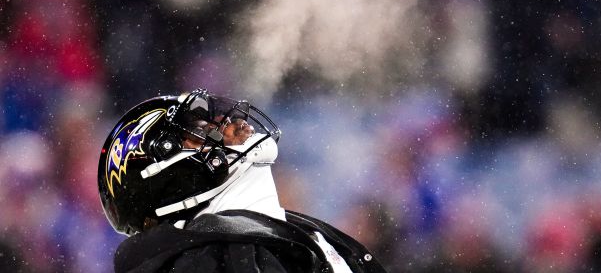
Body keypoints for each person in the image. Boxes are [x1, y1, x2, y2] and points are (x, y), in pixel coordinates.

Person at [97, 88, 387, 273]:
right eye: (202, 130)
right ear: (165, 174)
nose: (236, 129)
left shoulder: (280, 236)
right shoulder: (210, 260)